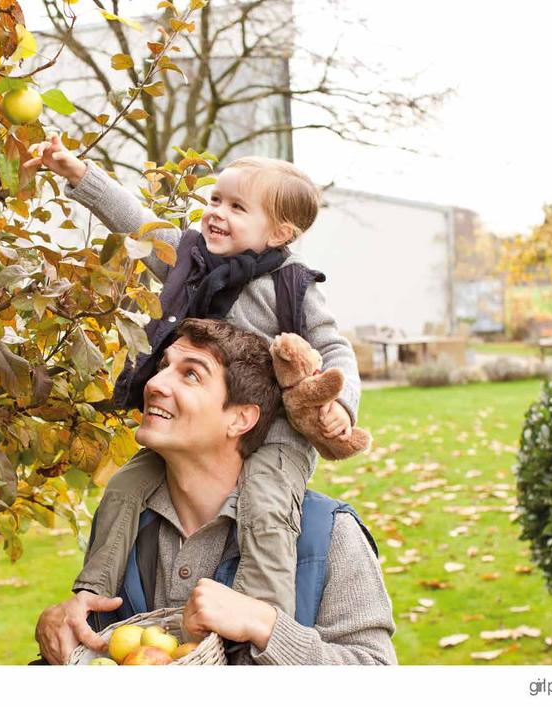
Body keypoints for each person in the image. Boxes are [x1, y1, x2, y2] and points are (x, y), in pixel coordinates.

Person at [24, 137, 361, 619]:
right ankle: (95, 592)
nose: (217, 213)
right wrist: (77, 172)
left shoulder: (290, 286)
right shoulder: (192, 261)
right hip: (200, 423)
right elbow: (139, 222)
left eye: (238, 207)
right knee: (124, 486)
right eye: (215, 200)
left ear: (280, 233)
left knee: (266, 504)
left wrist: (339, 407)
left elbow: (335, 350)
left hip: (276, 432)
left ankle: (255, 614)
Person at [33, 319, 395, 665]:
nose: (155, 383)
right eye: (163, 366)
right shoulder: (124, 522)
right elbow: (103, 654)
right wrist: (56, 633)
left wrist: (268, 628)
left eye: (190, 374)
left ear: (241, 419)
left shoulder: (328, 534)